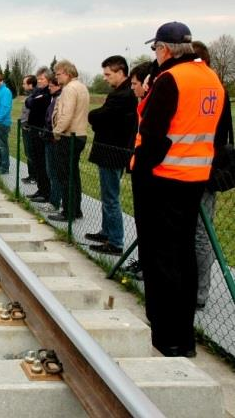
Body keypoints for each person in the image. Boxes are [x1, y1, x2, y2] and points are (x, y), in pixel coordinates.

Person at [132, 22, 225, 357]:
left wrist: (141, 171)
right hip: (194, 179)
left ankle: (165, 335)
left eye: (155, 49)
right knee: (183, 256)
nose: (155, 56)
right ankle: (183, 337)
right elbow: (217, 132)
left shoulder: (170, 79)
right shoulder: (211, 79)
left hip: (161, 178)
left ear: (165, 49)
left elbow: (154, 133)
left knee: (160, 260)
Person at [192, 40, 231, 310]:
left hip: (204, 171)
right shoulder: (215, 89)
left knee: (201, 234)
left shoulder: (213, 90)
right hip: (195, 167)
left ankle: (200, 292)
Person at [84, 56, 137, 255]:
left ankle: (115, 241)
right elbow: (101, 118)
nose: (105, 78)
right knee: (107, 195)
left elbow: (99, 117)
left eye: (108, 74)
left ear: (121, 72)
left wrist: (96, 117)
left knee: (111, 197)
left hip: (112, 151)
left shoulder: (122, 96)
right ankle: (106, 232)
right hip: (111, 149)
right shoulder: (121, 93)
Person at [48, 60, 89, 222]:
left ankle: (68, 212)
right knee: (74, 176)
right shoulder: (81, 87)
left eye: (58, 74)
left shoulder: (69, 89)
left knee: (65, 176)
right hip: (79, 134)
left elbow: (66, 114)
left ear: (66, 72)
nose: (56, 78)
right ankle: (75, 209)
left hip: (68, 136)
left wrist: (56, 132)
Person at [26, 69, 52, 203]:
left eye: (42, 79)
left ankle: (46, 192)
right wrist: (32, 99)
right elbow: (28, 102)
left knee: (42, 163)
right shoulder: (38, 92)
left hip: (40, 130)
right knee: (36, 161)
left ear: (48, 79)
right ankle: (40, 189)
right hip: (33, 129)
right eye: (39, 79)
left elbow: (34, 103)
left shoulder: (48, 93)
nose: (39, 81)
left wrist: (33, 100)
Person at [43, 75, 63, 211]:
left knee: (54, 172)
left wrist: (52, 132)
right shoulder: (54, 98)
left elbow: (54, 118)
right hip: (49, 136)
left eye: (51, 86)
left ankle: (55, 201)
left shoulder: (59, 98)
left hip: (54, 139)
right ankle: (53, 199)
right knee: (51, 171)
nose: (49, 88)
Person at [20, 75, 37, 183]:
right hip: (25, 127)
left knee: (32, 153)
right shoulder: (30, 95)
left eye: (24, 83)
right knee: (28, 153)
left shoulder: (35, 96)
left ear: (30, 85)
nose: (23, 85)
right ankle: (31, 175)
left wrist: (27, 123)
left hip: (30, 128)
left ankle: (34, 177)